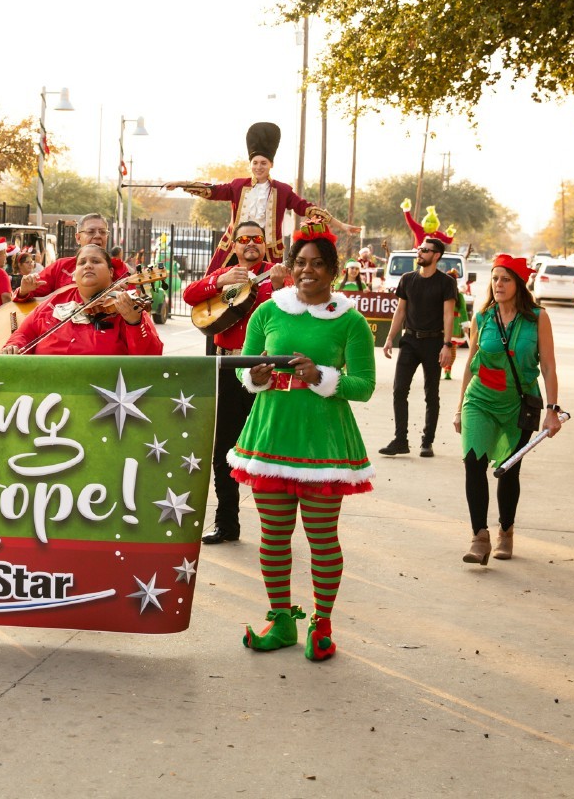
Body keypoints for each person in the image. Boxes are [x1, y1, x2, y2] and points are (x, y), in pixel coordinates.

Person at [226, 224, 375, 661]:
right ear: (290, 268)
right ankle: (281, 620)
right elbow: (244, 367)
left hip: (323, 445)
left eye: (318, 264)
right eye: (300, 263)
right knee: (273, 537)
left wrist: (322, 377)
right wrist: (251, 377)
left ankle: (321, 624)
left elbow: (364, 385)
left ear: (333, 271)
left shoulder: (350, 321)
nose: (307, 271)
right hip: (270, 436)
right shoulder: (267, 312)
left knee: (322, 538)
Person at [181, 220, 287, 544]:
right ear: (235, 245)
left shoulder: (279, 274)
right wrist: (219, 279)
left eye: (257, 238)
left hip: (266, 369)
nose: (250, 243)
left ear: (265, 243)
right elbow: (189, 295)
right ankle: (227, 524)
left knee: (268, 449)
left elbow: (299, 310)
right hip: (227, 367)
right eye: (244, 239)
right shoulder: (227, 274)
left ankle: (276, 528)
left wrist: (283, 287)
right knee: (224, 449)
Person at [453, 254, 561, 564]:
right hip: (480, 399)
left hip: (518, 402)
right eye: (495, 278)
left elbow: (550, 367)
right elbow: (470, 366)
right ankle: (479, 537)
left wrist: (552, 409)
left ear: (519, 284)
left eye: (506, 279)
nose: (498, 284)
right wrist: (460, 407)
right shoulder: (482, 317)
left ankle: (506, 532)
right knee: (473, 463)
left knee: (508, 470)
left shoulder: (537, 317)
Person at [164, 122, 357, 274]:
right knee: (213, 283)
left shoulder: (282, 190)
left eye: (263, 163)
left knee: (270, 290)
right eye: (255, 163)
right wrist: (180, 183)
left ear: (271, 164)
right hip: (235, 245)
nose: (258, 167)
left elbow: (307, 208)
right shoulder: (238, 185)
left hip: (268, 249)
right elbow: (211, 190)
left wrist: (341, 225)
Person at [1, 245, 162, 357]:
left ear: (111, 272)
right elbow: (23, 333)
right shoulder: (54, 303)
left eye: (96, 261)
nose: (88, 266)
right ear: (73, 274)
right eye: (82, 263)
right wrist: (13, 347)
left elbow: (151, 357)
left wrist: (134, 323)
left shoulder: (125, 305)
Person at [380, 237, 459, 457]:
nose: (420, 253)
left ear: (436, 256)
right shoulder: (407, 279)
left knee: (431, 394)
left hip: (434, 342)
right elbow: (400, 311)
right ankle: (400, 440)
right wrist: (389, 338)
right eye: (420, 249)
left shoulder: (446, 283)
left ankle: (427, 442)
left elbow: (447, 316)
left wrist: (446, 344)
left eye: (425, 250)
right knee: (399, 390)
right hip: (410, 341)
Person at [15, 213, 129, 300]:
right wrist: (23, 291)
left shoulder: (119, 269)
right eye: (91, 232)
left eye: (103, 232)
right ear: (78, 238)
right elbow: (28, 295)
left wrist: (120, 296)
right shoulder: (61, 266)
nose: (98, 235)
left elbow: (133, 308)